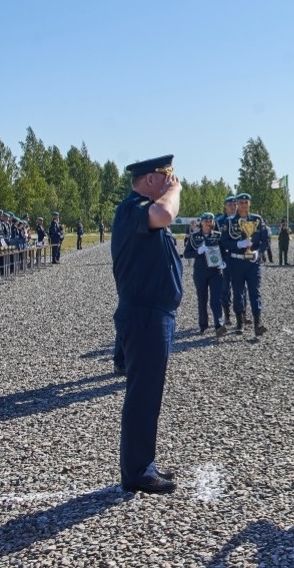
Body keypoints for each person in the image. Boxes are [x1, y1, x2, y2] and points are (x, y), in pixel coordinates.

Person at [112, 154, 182, 494]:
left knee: (148, 394)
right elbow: (166, 213)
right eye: (167, 177)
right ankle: (137, 470)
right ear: (152, 180)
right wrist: (176, 191)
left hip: (154, 315)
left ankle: (143, 462)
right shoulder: (132, 209)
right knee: (143, 395)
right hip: (144, 315)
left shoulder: (142, 213)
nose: (172, 182)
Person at [220, 193, 269, 336]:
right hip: (236, 262)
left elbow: (265, 241)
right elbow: (223, 242)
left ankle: (257, 323)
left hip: (253, 262)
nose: (243, 205)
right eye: (240, 202)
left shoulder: (257, 220)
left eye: (246, 202)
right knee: (238, 293)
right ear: (237, 204)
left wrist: (258, 252)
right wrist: (238, 243)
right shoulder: (229, 222)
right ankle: (240, 322)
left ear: (249, 204)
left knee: (255, 292)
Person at [183, 212, 228, 337]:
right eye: (206, 221)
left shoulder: (218, 236)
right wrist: (198, 251)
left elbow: (225, 252)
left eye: (211, 221)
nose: (208, 223)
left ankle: (219, 325)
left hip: (216, 272)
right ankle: (203, 325)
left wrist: (223, 262)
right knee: (202, 299)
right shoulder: (194, 237)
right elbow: (187, 254)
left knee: (216, 299)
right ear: (201, 222)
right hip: (200, 272)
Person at [216, 196, 238, 324]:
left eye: (234, 204)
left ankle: (242, 314)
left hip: (239, 257)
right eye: (230, 204)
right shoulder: (219, 221)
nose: (232, 206)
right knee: (225, 288)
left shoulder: (241, 219)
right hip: (225, 257)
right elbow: (216, 241)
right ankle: (227, 315)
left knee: (240, 288)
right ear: (225, 205)